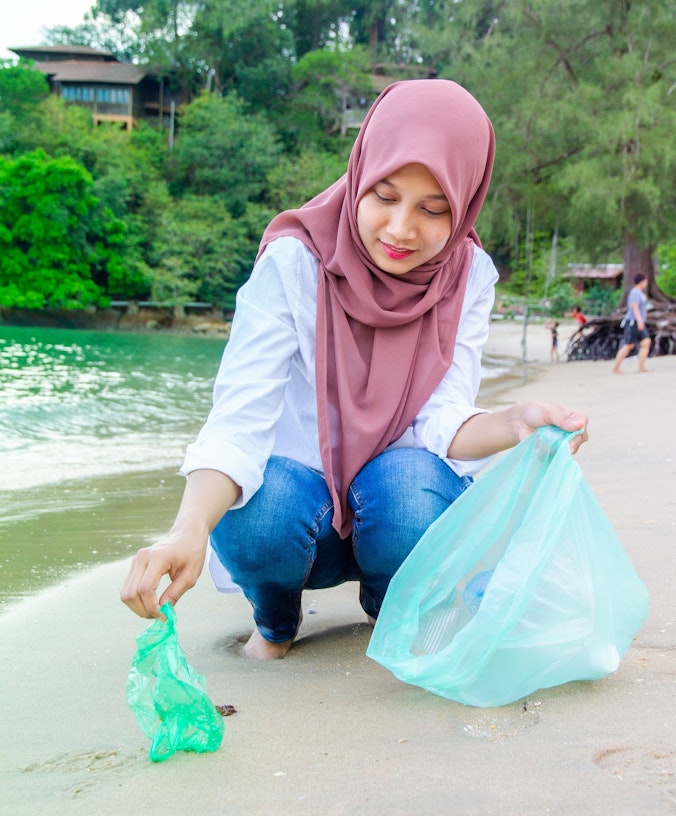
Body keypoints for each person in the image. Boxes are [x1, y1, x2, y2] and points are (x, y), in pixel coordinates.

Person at [121, 80, 589, 659]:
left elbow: (441, 420)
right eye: (384, 196)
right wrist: (187, 529)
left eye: (433, 208)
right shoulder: (294, 259)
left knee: (409, 488)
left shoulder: (467, 275)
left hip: (391, 512)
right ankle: (275, 618)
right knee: (258, 514)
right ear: (360, 173)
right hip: (299, 513)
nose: (400, 229)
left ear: (466, 203)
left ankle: (390, 601)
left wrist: (515, 421)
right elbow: (237, 422)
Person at [612, 273, 652, 374]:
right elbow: (634, 307)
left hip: (639, 321)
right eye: (646, 281)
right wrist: (639, 320)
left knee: (646, 342)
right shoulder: (635, 293)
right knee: (628, 345)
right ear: (641, 282)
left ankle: (641, 367)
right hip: (632, 322)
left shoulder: (641, 293)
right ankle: (616, 368)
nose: (646, 284)